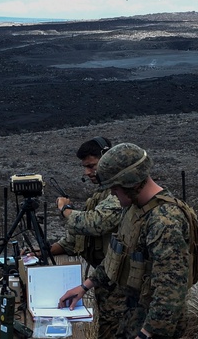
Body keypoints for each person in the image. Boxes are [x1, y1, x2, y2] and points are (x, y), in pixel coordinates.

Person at [58, 142, 198, 339]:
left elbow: (170, 292)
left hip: (153, 324)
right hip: (133, 313)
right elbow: (116, 257)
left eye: (115, 188)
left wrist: (146, 334)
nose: (113, 193)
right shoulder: (134, 208)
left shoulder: (165, 221)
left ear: (131, 183)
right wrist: (85, 286)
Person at [45, 136, 126, 339]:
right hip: (105, 280)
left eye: (92, 166)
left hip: (121, 287)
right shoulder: (101, 195)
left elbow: (95, 223)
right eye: (85, 167)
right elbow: (79, 238)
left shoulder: (121, 194)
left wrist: (65, 209)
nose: (87, 172)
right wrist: (46, 250)